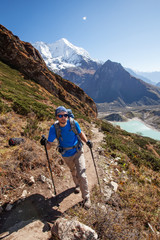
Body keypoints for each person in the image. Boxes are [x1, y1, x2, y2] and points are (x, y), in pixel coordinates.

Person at [41, 106, 93, 209]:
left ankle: (86, 197)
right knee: (73, 170)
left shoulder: (73, 123)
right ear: (57, 117)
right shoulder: (54, 128)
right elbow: (49, 146)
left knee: (82, 174)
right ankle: (77, 185)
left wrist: (87, 142)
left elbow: (80, 133)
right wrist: (44, 143)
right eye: (60, 115)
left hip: (78, 151)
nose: (63, 117)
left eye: (65, 115)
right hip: (66, 154)